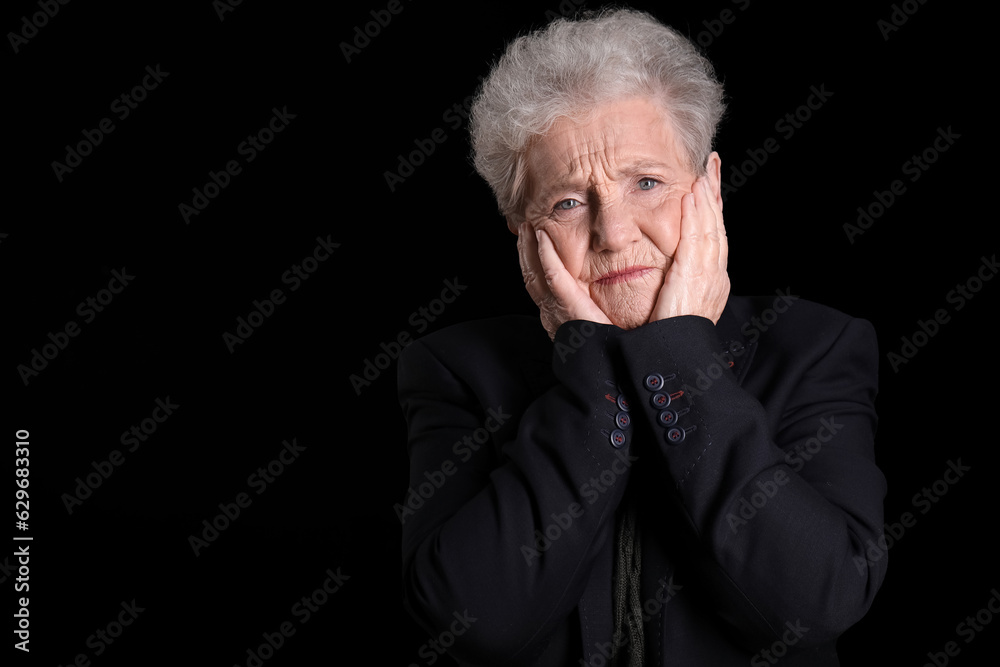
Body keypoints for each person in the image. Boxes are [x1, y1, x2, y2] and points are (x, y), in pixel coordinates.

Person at [397, 8, 886, 666]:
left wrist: (681, 354)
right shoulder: (455, 369)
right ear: (522, 234)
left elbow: (815, 602)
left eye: (648, 183)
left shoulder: (814, 345)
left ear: (708, 189)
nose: (614, 232)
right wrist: (589, 373)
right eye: (568, 201)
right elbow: (474, 621)